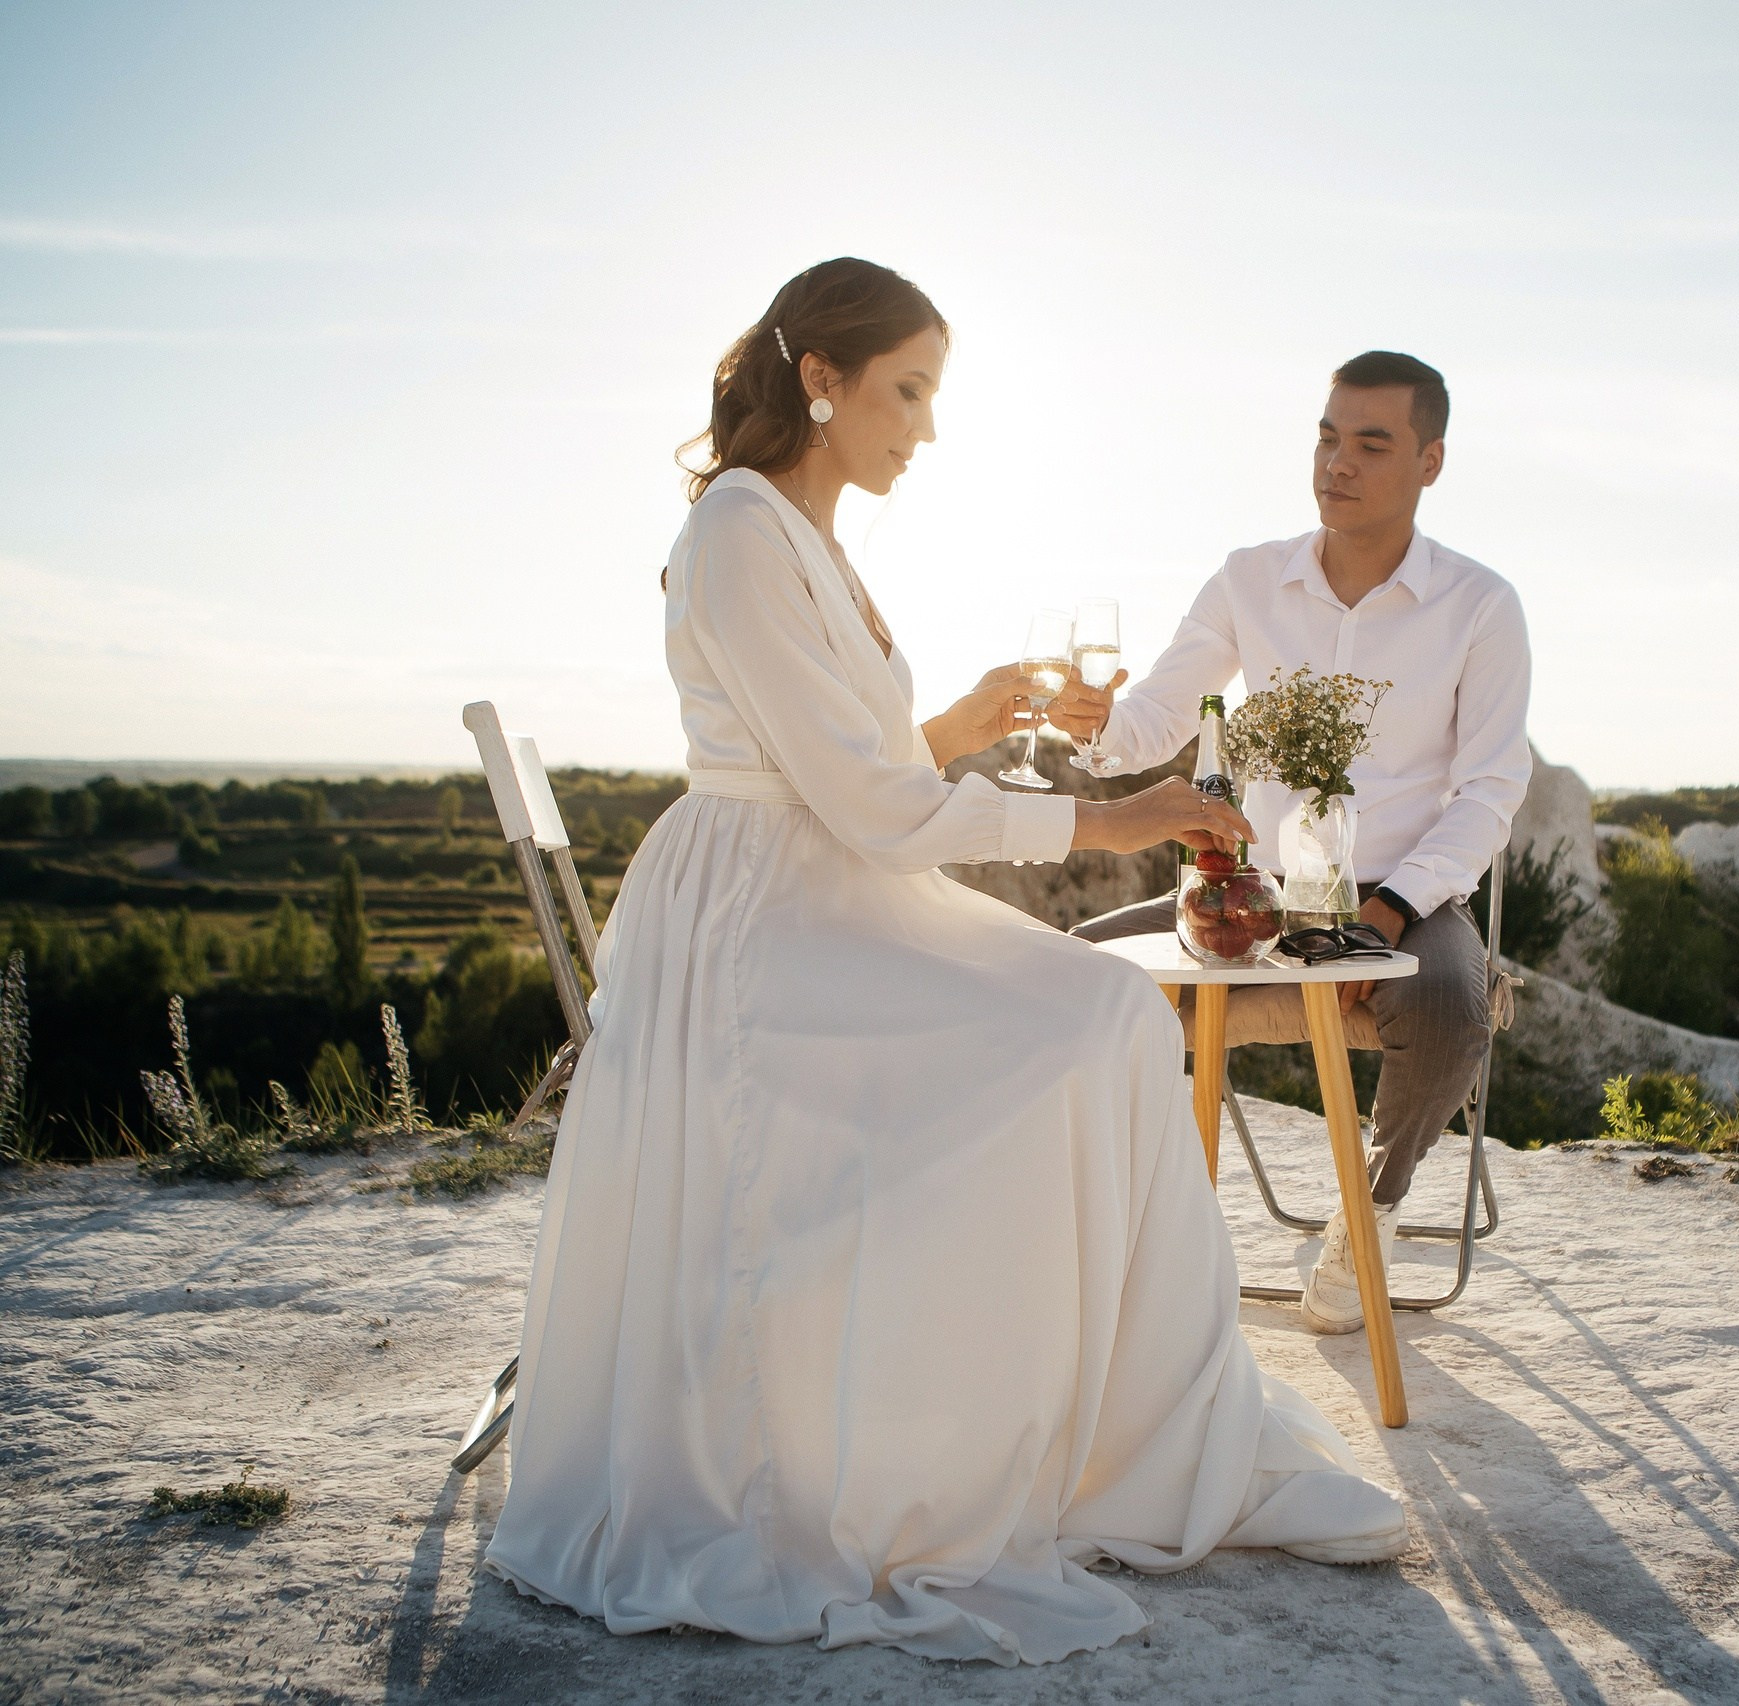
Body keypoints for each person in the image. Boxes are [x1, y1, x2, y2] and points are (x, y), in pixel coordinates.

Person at [483, 259, 1406, 1668]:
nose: (924, 425)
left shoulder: (806, 530)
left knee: (1105, 1013)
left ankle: (1111, 1430)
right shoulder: (740, 531)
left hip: (826, 886)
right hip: (761, 927)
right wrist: (1115, 810)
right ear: (823, 379)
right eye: (907, 391)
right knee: (1080, 1028)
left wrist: (971, 716)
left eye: (933, 394)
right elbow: (860, 810)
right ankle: (986, 1441)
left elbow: (859, 772)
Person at [1053, 351, 1532, 1336]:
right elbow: (1146, 724)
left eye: (1370, 443)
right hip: (1252, 906)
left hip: (1403, 902)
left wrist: (1385, 914)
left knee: (1450, 1006)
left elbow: (1490, 792)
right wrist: (1090, 721)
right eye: (1326, 435)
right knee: (1063, 981)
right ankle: (1101, 1235)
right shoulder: (1247, 580)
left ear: (1429, 461)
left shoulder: (1481, 606)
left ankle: (1368, 1219)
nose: (1336, 462)